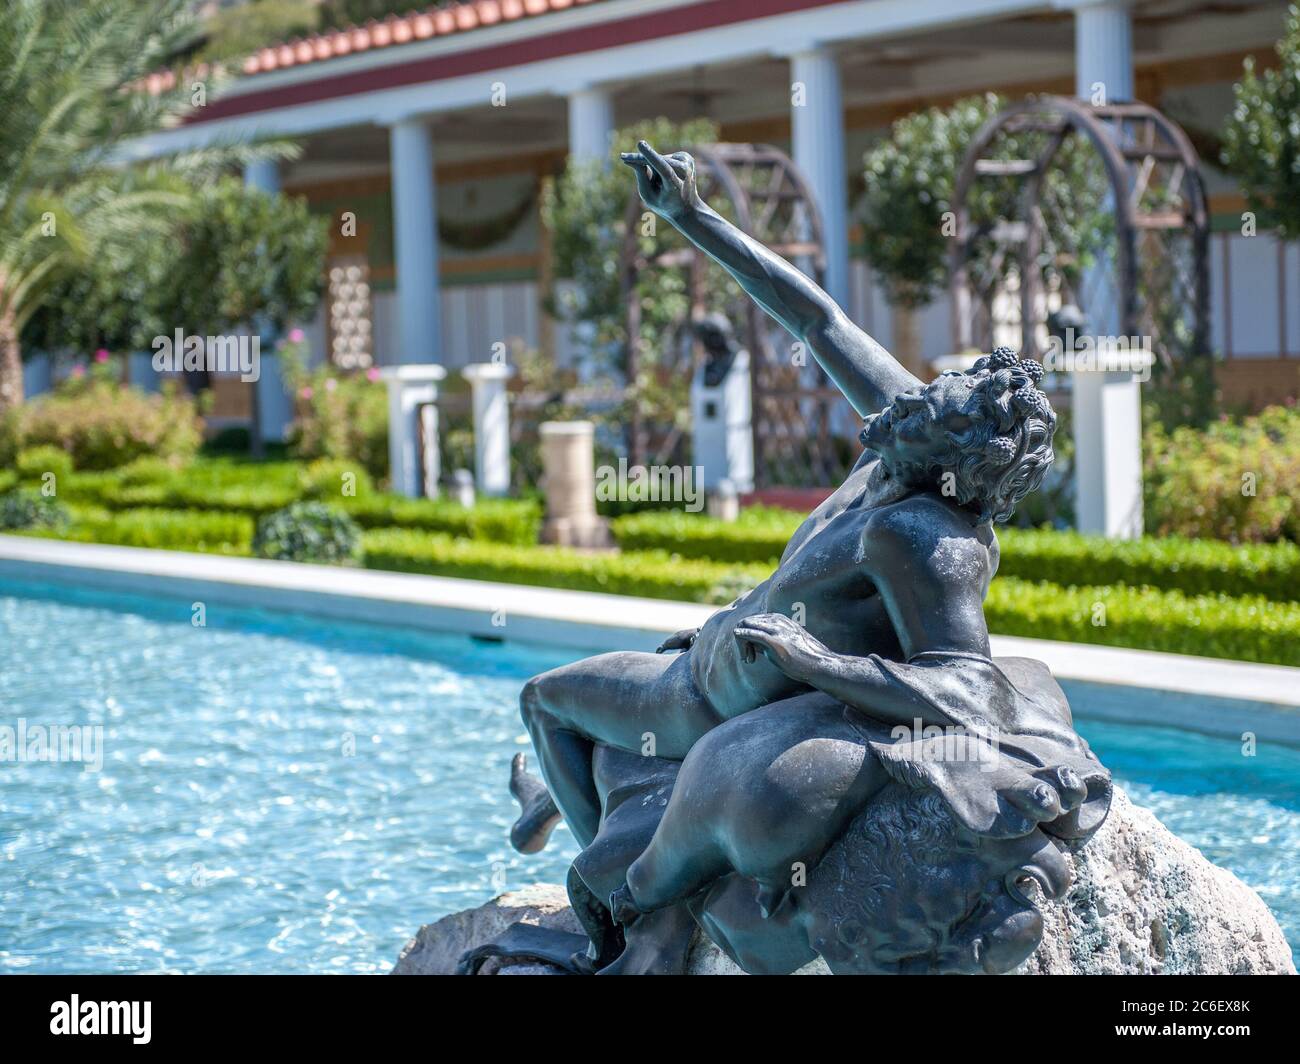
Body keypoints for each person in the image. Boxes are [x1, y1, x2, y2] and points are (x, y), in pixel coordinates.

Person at [512, 141, 1057, 853]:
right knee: (581, 708)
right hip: (705, 652)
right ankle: (552, 802)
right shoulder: (907, 437)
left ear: (954, 452)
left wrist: (821, 666)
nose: (912, 394)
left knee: (543, 701)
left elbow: (965, 688)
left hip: (697, 699)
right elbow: (816, 320)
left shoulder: (928, 536)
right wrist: (693, 215)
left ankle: (607, 910)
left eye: (934, 400)